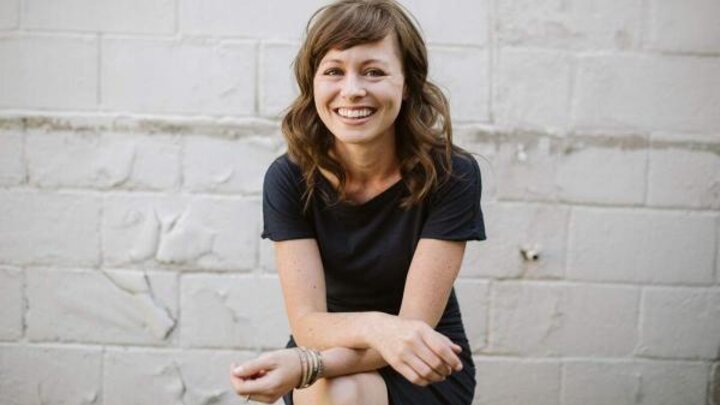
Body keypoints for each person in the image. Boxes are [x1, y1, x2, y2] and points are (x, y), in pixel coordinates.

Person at [229, 0, 486, 403]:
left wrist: (305, 365)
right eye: (334, 71)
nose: (352, 90)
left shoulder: (453, 174)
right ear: (312, 83)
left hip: (423, 360)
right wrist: (373, 329)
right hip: (330, 351)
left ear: (408, 84)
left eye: (374, 72)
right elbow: (308, 322)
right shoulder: (289, 179)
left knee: (332, 387)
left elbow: (411, 331)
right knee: (332, 392)